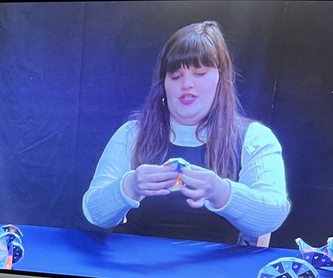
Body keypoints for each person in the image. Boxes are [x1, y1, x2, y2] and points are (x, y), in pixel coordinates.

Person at [82, 20, 290, 245]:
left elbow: (271, 217)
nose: (187, 84)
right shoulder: (132, 133)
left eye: (199, 73)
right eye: (176, 75)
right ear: (164, 84)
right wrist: (130, 186)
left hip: (214, 275)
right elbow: (95, 215)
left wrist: (221, 192)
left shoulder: (255, 137)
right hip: (134, 272)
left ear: (221, 79)